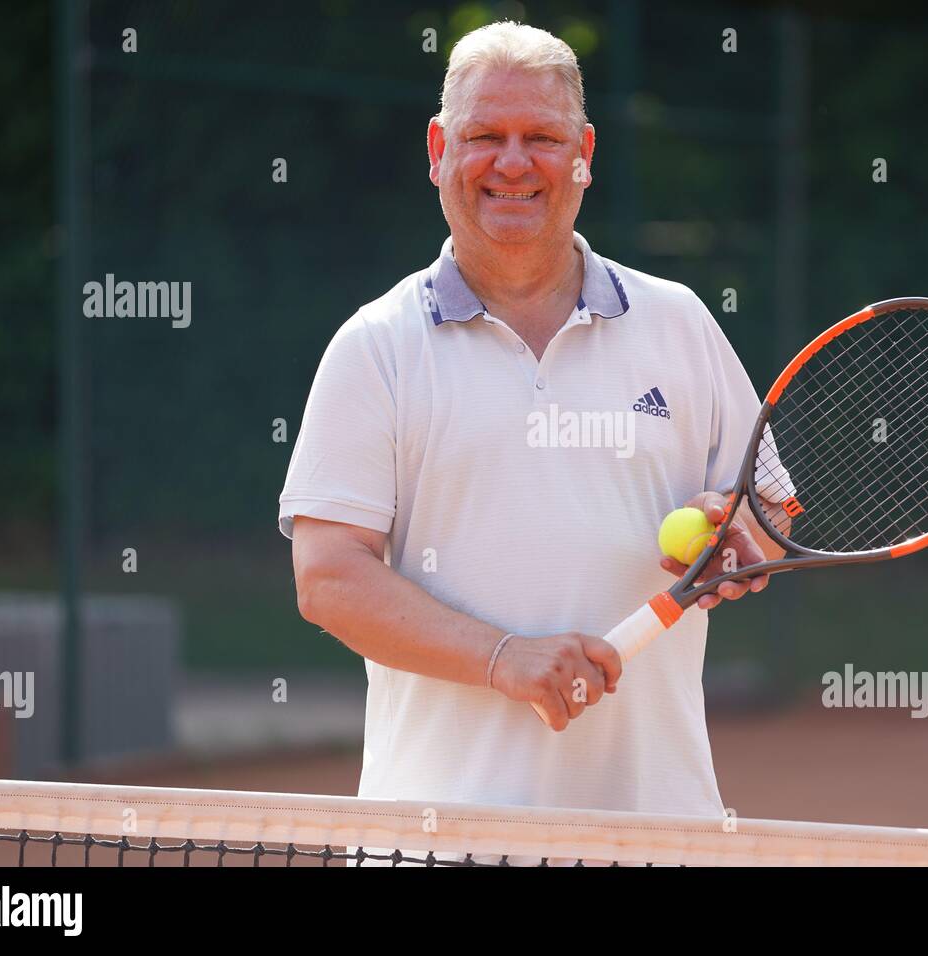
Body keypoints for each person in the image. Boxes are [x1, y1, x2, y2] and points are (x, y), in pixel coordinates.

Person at [279, 21, 783, 816]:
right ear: (440, 149)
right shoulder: (374, 348)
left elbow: (770, 505)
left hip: (658, 832)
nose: (512, 163)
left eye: (541, 137)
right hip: (440, 839)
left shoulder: (681, 322)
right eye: (486, 135)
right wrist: (502, 658)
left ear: (584, 151)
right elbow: (328, 578)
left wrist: (740, 526)